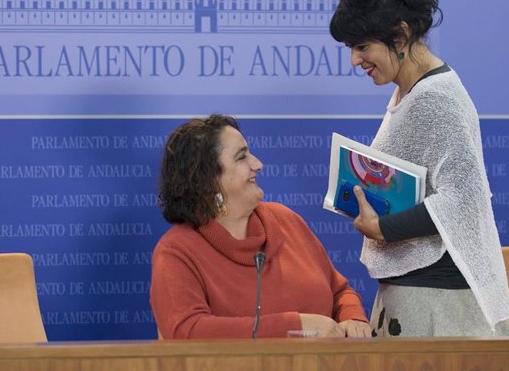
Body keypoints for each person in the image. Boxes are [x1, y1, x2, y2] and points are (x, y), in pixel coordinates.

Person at [329, 0, 509, 337]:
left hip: (441, 311)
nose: (354, 60)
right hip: (417, 300)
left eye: (362, 46)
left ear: (399, 35)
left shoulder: (436, 99)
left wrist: (382, 227)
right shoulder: (409, 91)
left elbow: (461, 199)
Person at [150, 114, 370, 339]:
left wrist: (352, 317)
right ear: (208, 180)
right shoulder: (176, 251)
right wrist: (295, 327)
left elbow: (339, 291)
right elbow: (187, 331)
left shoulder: (286, 220)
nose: (258, 164)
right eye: (242, 157)